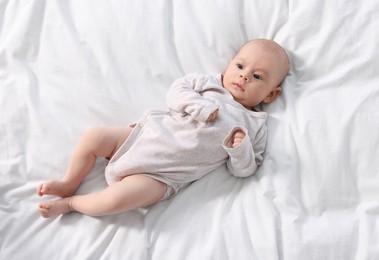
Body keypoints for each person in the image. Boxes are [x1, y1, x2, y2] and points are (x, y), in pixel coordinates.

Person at [37, 39, 290, 218]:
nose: (244, 76)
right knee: (95, 136)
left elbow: (244, 170)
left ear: (271, 95)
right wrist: (197, 106)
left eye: (257, 77)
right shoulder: (208, 84)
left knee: (114, 200)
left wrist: (239, 148)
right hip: (140, 138)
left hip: (163, 176)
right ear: (229, 65)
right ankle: (69, 182)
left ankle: (72, 204)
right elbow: (176, 92)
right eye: (240, 66)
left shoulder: (253, 126)